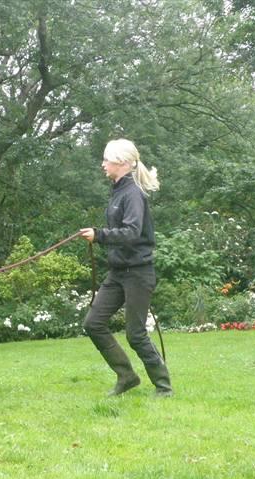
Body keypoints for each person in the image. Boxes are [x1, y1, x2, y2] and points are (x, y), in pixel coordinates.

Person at [79, 138, 173, 397]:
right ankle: (127, 376)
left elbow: (131, 232)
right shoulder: (118, 191)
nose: (103, 164)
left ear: (120, 162)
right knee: (93, 323)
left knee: (135, 334)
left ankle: (163, 386)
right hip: (118, 273)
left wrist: (99, 235)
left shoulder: (133, 194)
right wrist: (99, 236)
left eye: (106, 159)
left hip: (138, 273)